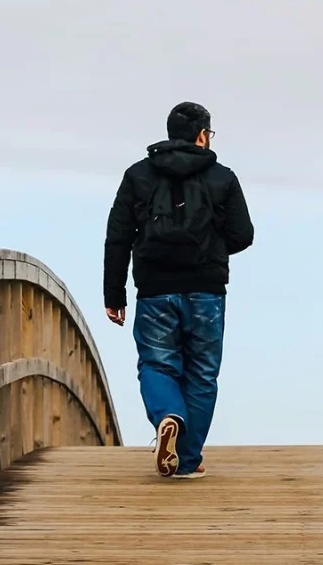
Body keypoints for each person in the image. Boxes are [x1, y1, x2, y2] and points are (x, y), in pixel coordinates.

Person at [103, 102, 254, 480]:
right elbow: (243, 234)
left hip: (154, 291)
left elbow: (118, 238)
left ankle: (168, 416)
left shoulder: (137, 175)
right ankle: (186, 461)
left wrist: (114, 295)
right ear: (202, 135)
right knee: (202, 374)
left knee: (156, 365)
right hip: (206, 291)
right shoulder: (223, 177)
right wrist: (211, 248)